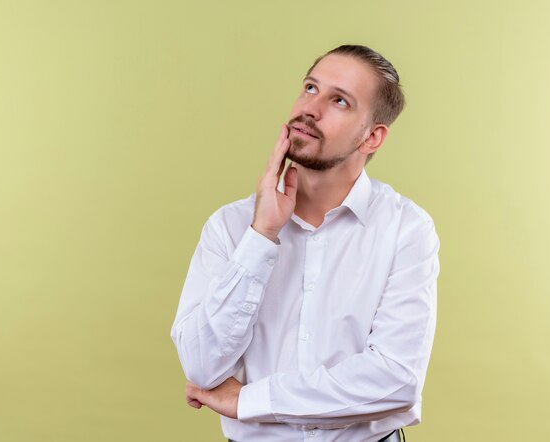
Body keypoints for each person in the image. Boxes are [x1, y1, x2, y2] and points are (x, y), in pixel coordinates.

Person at [170, 44, 440, 442]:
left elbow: (396, 380)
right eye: (311, 88)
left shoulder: (406, 229)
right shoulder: (230, 227)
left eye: (340, 101)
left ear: (372, 138)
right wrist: (261, 237)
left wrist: (249, 401)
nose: (311, 109)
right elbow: (200, 366)